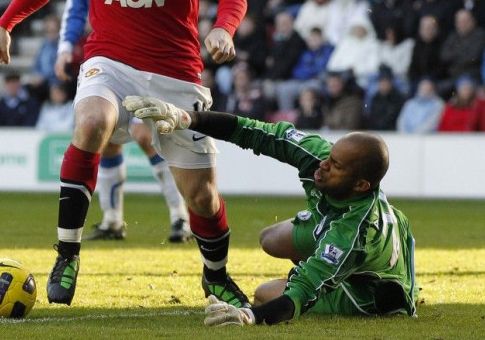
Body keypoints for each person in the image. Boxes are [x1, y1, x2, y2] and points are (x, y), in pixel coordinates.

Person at [0, 0, 248, 307]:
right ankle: (67, 252)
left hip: (175, 72)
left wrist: (224, 27)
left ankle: (216, 275)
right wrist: (6, 23)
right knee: (91, 124)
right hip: (109, 60)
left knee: (201, 197)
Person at [122, 95, 418, 327]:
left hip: (364, 284)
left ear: (360, 184)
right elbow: (253, 132)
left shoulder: (352, 233)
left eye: (336, 166)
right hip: (360, 230)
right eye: (331, 155)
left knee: (265, 293)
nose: (323, 164)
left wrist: (250, 316)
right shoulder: (319, 155)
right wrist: (187, 118)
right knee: (270, 238)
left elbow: (301, 293)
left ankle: (388, 300)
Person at [53, 0, 191, 243]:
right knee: (105, 137)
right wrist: (65, 47)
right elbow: (75, 6)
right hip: (105, 57)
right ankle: (113, 219)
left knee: (148, 134)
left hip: (150, 60)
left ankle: (180, 216)